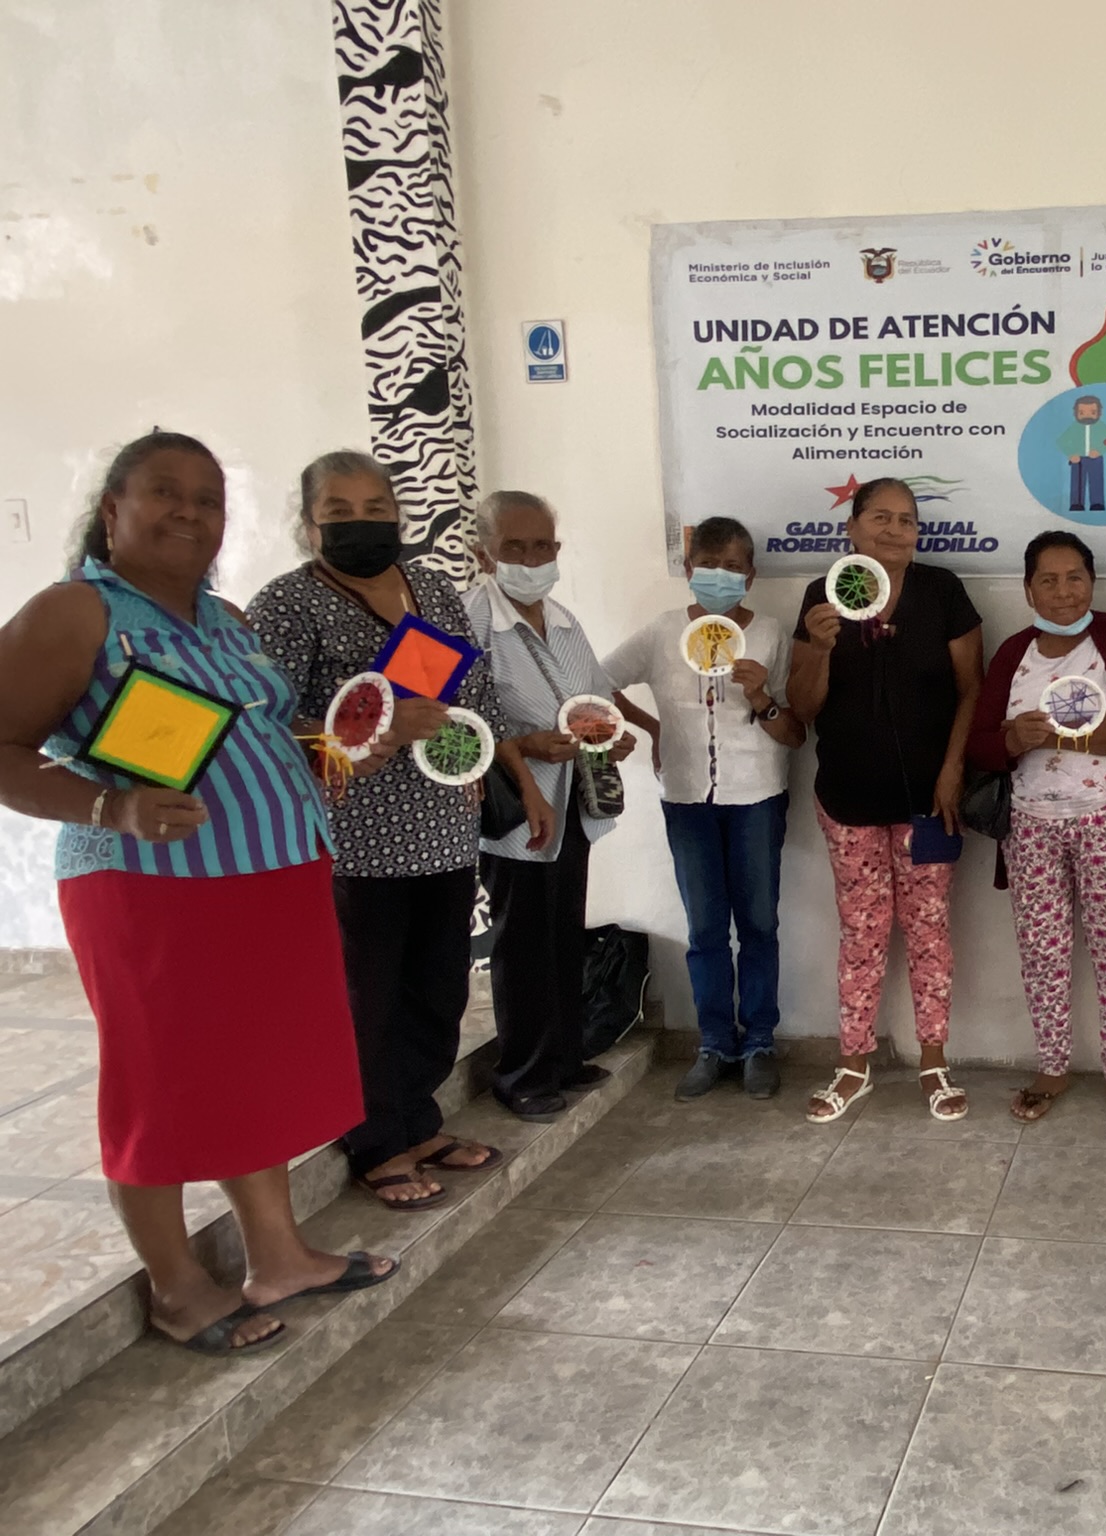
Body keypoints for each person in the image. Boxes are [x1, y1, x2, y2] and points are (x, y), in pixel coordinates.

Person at [0, 432, 396, 1355]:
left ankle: (278, 1256)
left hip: (272, 877)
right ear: (112, 510)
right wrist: (111, 805)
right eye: (165, 492)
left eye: (209, 499)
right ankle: (176, 1287)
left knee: (252, 1072)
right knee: (161, 1082)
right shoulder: (76, 613)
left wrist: (338, 752)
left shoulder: (225, 618)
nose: (190, 511)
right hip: (153, 889)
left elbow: (257, 738)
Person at [248, 452, 552, 1211]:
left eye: (376, 508)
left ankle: (419, 1120)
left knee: (437, 987)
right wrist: (371, 726)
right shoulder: (288, 604)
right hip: (354, 839)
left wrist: (507, 770)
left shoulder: (432, 591)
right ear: (308, 523)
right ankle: (376, 1140)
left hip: (444, 829)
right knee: (369, 995)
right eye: (340, 511)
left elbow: (474, 693)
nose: (362, 523)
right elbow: (264, 723)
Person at [789, 477, 984, 1123]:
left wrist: (953, 770)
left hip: (931, 801)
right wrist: (820, 648)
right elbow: (803, 707)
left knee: (929, 932)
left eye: (907, 520)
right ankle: (854, 1064)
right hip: (848, 798)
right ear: (851, 527)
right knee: (862, 934)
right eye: (880, 517)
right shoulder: (822, 595)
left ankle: (934, 1062)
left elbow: (972, 688)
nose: (895, 530)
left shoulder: (942, 591)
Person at [967, 530, 1106, 1129]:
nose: (1063, 591)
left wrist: (1052, 734)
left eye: (1075, 576)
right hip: (1031, 826)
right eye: (1047, 580)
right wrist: (1011, 740)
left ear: (1092, 581)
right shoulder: (1013, 653)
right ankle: (1052, 1067)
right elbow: (982, 743)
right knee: (1042, 952)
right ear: (1028, 589)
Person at [607, 516, 804, 1101]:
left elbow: (794, 732)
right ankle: (715, 1042)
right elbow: (596, 679)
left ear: (751, 575)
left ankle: (759, 1042)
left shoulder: (770, 635)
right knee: (705, 928)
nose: (720, 576)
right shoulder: (663, 632)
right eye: (708, 566)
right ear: (689, 571)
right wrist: (653, 728)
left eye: (733, 567)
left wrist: (761, 696)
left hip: (756, 797)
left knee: (760, 924)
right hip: (688, 798)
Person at [466, 491, 636, 1119]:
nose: (532, 559)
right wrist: (528, 745)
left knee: (564, 932)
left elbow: (594, 695)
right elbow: (459, 721)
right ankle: (524, 1074)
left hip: (574, 801)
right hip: (517, 807)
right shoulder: (469, 622)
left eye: (543, 546)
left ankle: (565, 1057)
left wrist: (613, 735)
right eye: (515, 547)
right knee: (522, 944)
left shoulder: (562, 619)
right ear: (484, 553)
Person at [1058, 395, 1106, 513]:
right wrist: (1071, 454)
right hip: (1078, 459)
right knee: (1077, 482)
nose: (1087, 416)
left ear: (1099, 413)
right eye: (1082, 412)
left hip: (1095, 459)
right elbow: (1062, 441)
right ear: (1075, 413)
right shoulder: (1074, 427)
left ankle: (1097, 503)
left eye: (1092, 412)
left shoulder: (1101, 426)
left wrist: (1099, 450)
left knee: (1096, 481)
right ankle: (1076, 503)